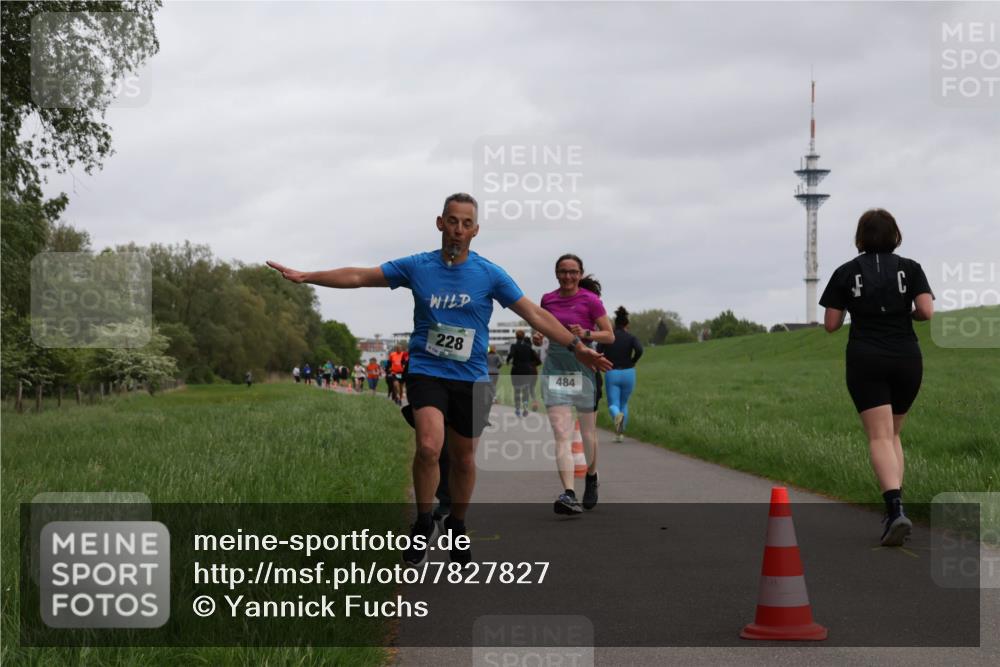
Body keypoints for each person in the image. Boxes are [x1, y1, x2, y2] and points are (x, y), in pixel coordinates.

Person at [267, 193, 610, 566]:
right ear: (440, 223)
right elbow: (360, 276)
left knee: (464, 459)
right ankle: (423, 521)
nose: (458, 229)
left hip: (472, 376)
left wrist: (577, 346)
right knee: (429, 446)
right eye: (453, 221)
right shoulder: (418, 266)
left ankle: (457, 524)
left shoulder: (489, 274)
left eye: (466, 223)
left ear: (475, 230)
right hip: (427, 370)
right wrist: (307, 277)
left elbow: (534, 314)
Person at [818, 208, 933, 547]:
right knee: (893, 433)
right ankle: (896, 507)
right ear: (895, 235)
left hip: (866, 357)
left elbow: (831, 324)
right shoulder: (911, 268)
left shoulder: (846, 272)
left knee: (880, 436)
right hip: (907, 357)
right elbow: (926, 311)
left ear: (861, 237)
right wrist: (906, 313)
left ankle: (894, 509)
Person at [538, 254, 614, 515]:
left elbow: (609, 335)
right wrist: (538, 336)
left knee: (587, 434)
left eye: (573, 272)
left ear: (580, 274)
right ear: (556, 273)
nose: (567, 276)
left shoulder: (590, 300)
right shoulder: (547, 299)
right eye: (563, 271)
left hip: (584, 370)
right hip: (555, 370)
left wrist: (586, 333)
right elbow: (544, 327)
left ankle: (591, 476)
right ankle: (569, 493)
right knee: (562, 435)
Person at [598, 306, 644, 443]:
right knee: (624, 403)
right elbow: (640, 350)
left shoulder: (608, 337)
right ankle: (619, 434)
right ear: (626, 324)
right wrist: (633, 361)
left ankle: (617, 416)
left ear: (614, 324)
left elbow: (598, 351)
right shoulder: (631, 337)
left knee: (613, 404)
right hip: (629, 373)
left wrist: (603, 361)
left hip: (612, 372)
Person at [507, 329, 541, 417]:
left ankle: (518, 409)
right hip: (527, 371)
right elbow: (538, 360)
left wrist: (507, 360)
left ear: (516, 336)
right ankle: (525, 408)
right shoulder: (528, 347)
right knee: (525, 391)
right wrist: (530, 364)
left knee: (517, 390)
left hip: (516, 371)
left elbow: (511, 354)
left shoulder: (514, 346)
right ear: (523, 337)